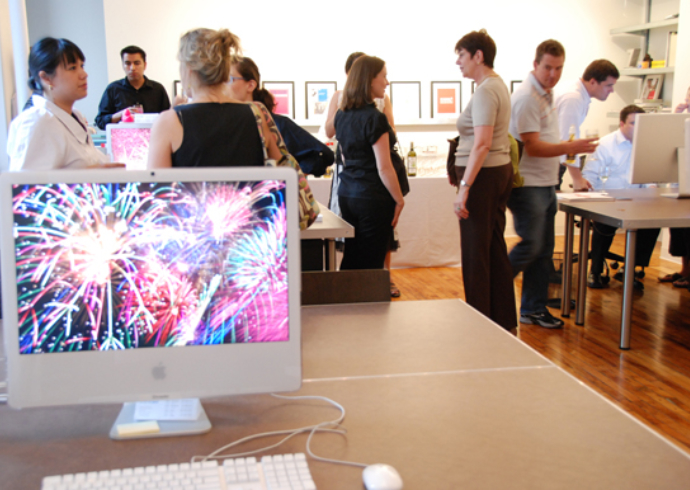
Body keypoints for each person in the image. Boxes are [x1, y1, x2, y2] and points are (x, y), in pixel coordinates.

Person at [508, 39, 597, 329]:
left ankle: (532, 309)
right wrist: (573, 146)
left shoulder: (546, 94)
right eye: (548, 67)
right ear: (535, 65)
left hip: (545, 184)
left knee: (543, 250)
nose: (553, 74)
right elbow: (532, 147)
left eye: (558, 68)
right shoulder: (525, 98)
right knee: (532, 245)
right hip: (528, 185)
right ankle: (491, 289)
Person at [452, 30, 516, 331]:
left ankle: (478, 323)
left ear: (479, 56)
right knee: (492, 248)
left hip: (483, 177)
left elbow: (482, 143)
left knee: (475, 253)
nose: (458, 62)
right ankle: (501, 320)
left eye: (462, 55)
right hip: (495, 173)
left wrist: (464, 188)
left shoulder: (487, 90)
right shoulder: (495, 86)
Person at [147, 28, 281, 169]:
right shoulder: (255, 114)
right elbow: (280, 177)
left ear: (188, 69)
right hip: (248, 192)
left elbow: (154, 187)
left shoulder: (168, 122)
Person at [326, 52, 401, 295]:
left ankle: (345, 311)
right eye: (384, 77)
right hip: (372, 197)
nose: (386, 82)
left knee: (353, 256)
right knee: (370, 264)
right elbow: (384, 166)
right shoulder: (375, 119)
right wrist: (399, 199)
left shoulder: (342, 115)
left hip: (348, 193)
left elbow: (348, 159)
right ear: (370, 79)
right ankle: (366, 320)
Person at [582, 105, 659, 289]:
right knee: (604, 223)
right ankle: (596, 271)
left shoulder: (648, 145)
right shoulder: (605, 145)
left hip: (638, 201)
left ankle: (629, 269)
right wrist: (597, 200)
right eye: (633, 123)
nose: (637, 128)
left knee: (653, 222)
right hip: (608, 199)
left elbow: (650, 177)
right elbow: (590, 177)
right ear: (622, 124)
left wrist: (652, 189)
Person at [7, 37, 112, 171]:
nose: (84, 74)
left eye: (82, 66)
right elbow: (29, 187)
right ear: (46, 78)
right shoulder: (36, 121)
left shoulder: (75, 115)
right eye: (72, 68)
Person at [228, 57, 334, 176]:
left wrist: (294, 175)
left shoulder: (277, 124)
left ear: (251, 85)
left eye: (229, 79)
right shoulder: (226, 123)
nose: (223, 86)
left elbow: (324, 154)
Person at [556, 59, 619, 191]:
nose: (612, 90)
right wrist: (577, 179)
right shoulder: (573, 98)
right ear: (593, 82)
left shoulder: (578, 94)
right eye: (608, 85)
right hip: (547, 162)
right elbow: (568, 142)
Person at [95, 45, 171, 129]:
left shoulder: (158, 89)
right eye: (127, 63)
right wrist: (121, 114)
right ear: (123, 65)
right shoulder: (113, 89)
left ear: (145, 65)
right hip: (122, 140)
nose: (132, 68)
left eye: (137, 63)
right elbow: (100, 121)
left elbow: (168, 120)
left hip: (153, 140)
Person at [660, 85, 690, 287]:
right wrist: (675, 117)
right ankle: (684, 270)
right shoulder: (684, 122)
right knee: (679, 230)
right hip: (681, 182)